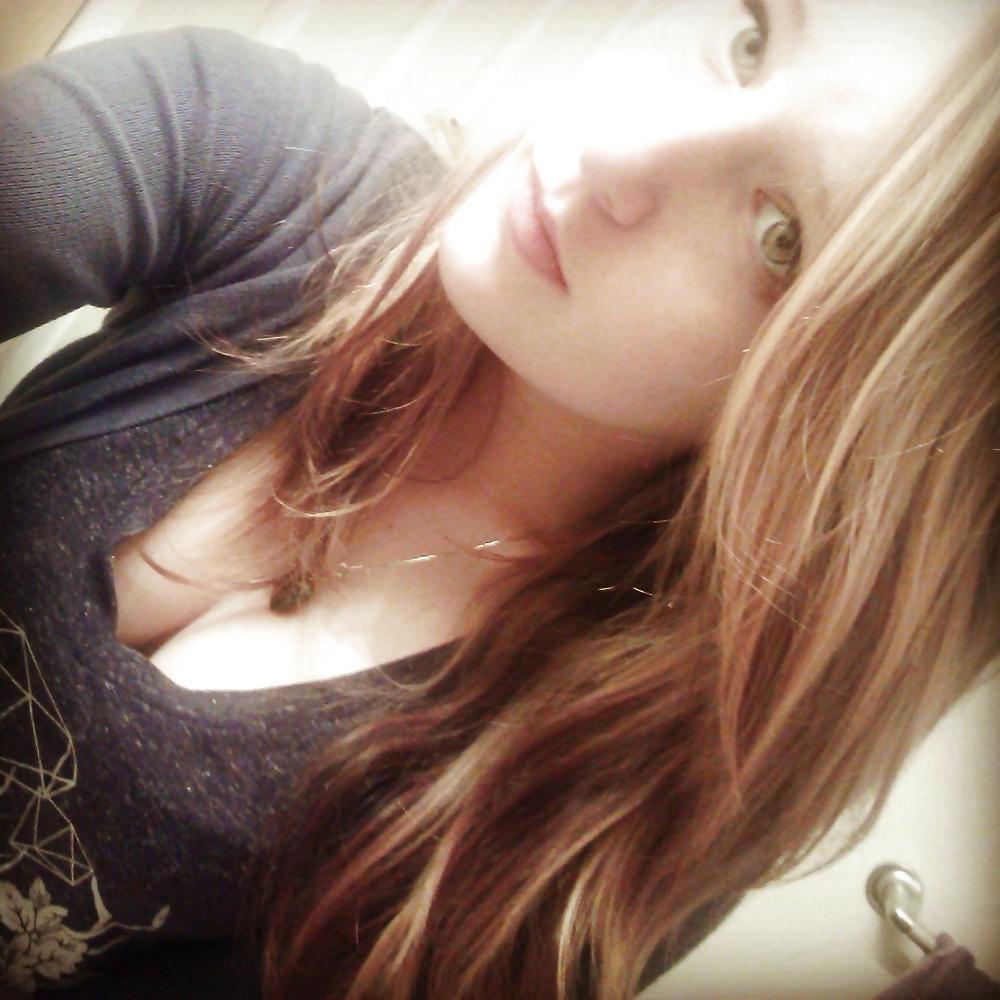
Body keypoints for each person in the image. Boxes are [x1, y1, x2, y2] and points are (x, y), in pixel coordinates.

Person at [0, 2, 996, 997]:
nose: (619, 148)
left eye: (779, 236)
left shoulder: (598, 818)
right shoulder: (265, 160)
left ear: (845, 442)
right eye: (749, 41)